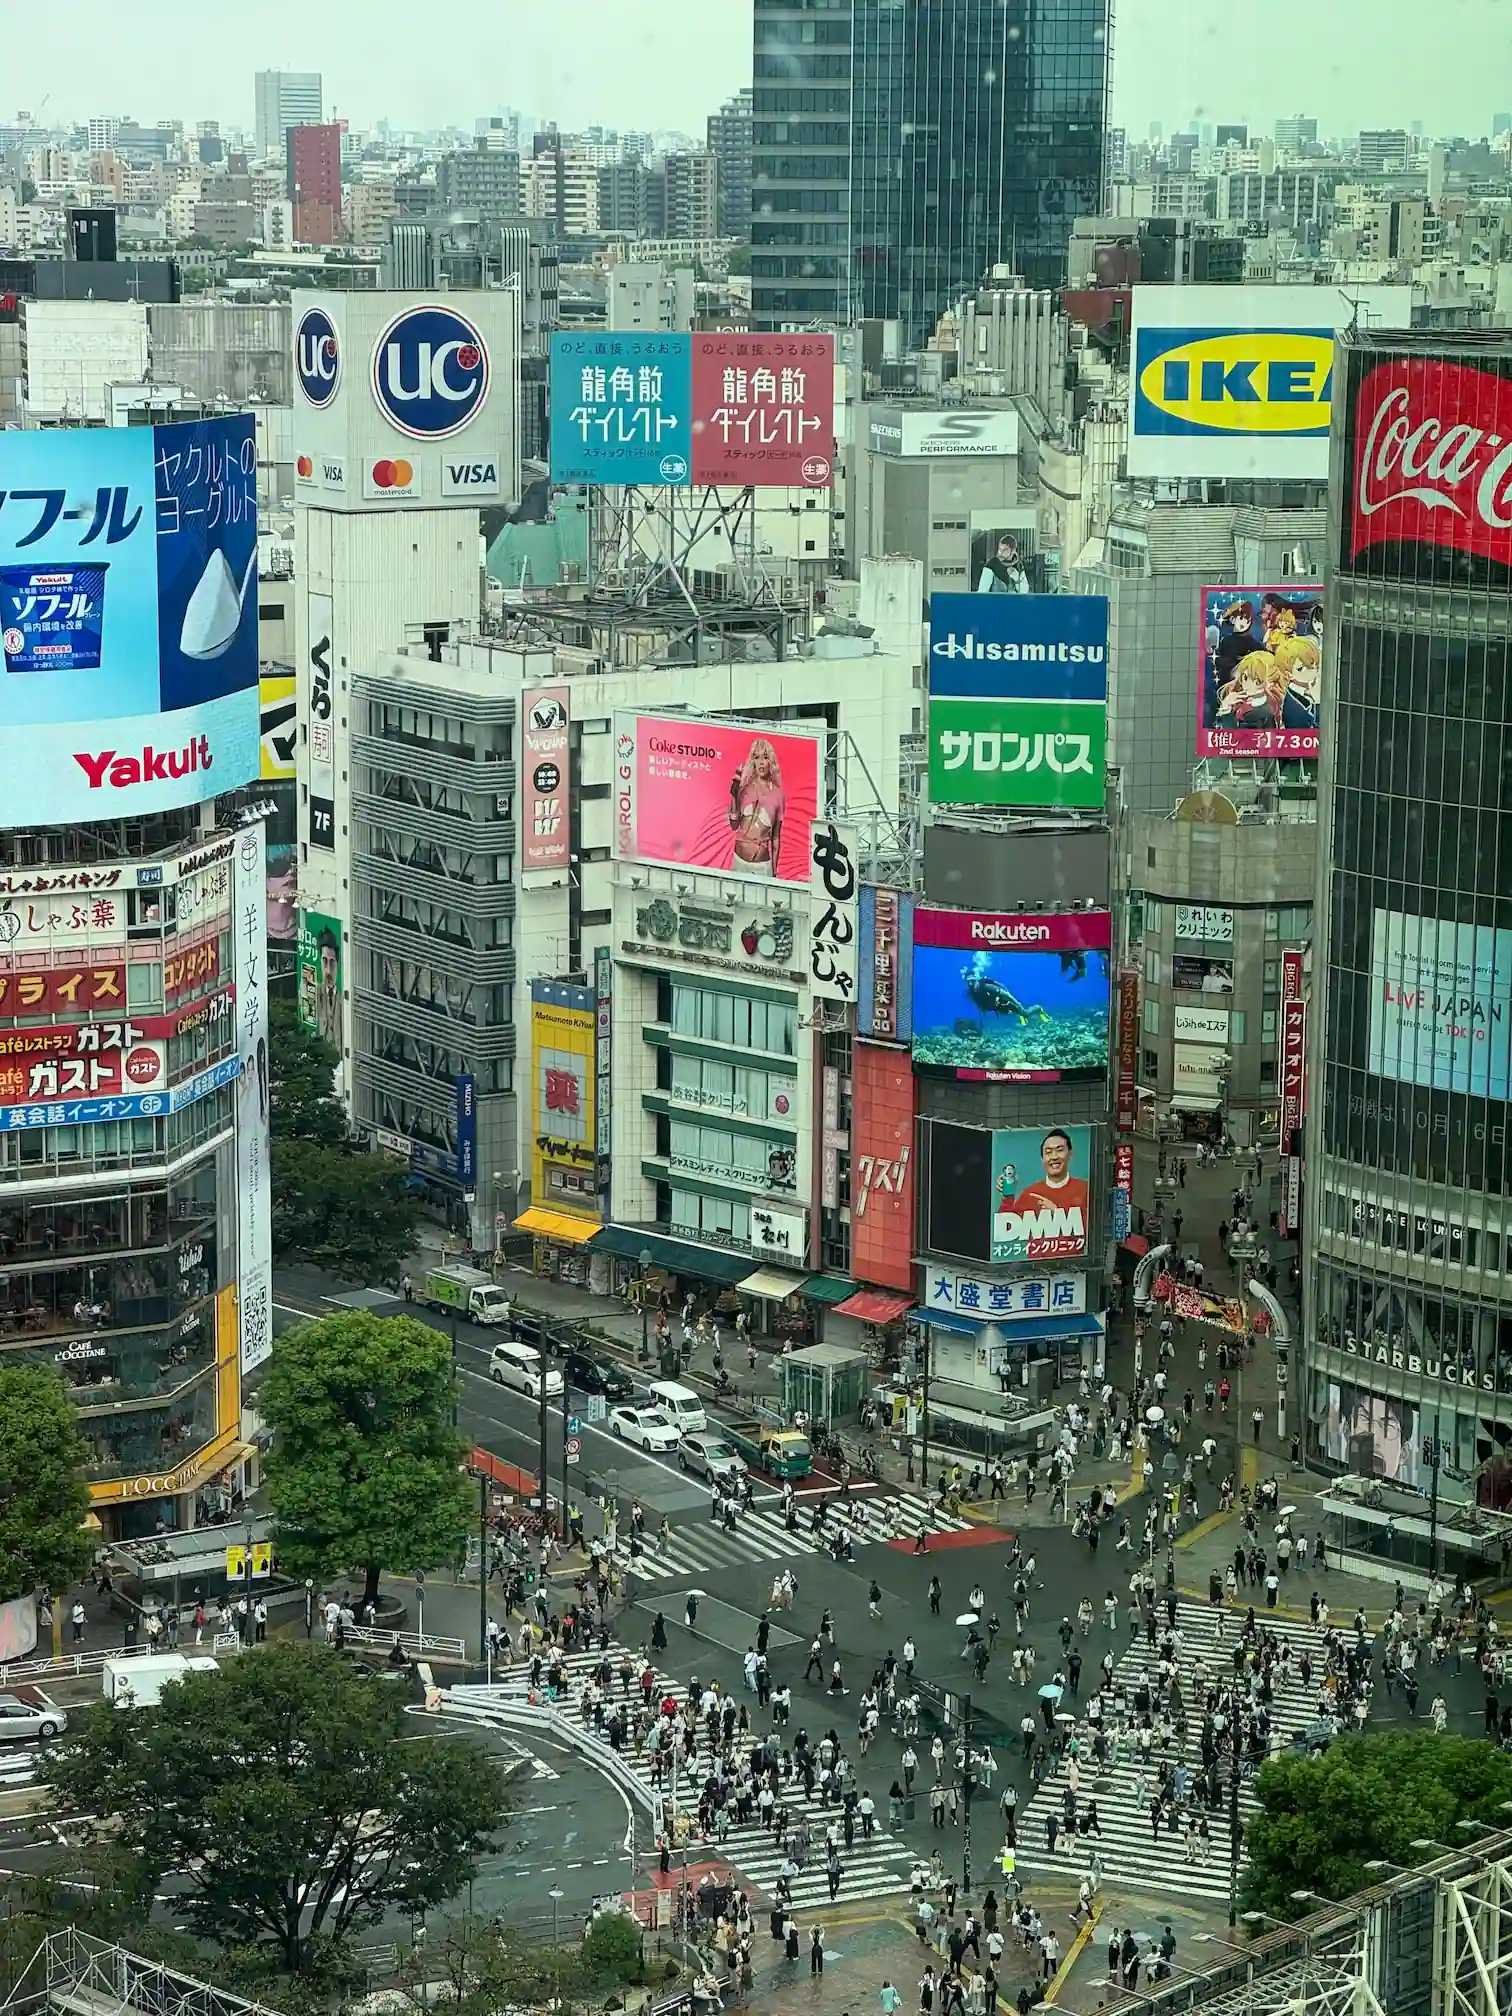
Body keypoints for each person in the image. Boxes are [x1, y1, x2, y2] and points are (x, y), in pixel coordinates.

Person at [728, 739, 786, 876]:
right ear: (753, 761)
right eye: (757, 757)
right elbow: (734, 825)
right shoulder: (744, 788)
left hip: (762, 867)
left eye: (765, 757)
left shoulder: (778, 795)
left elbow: (776, 838)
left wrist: (774, 872)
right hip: (739, 861)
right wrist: (734, 796)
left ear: (770, 762)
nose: (761, 762)